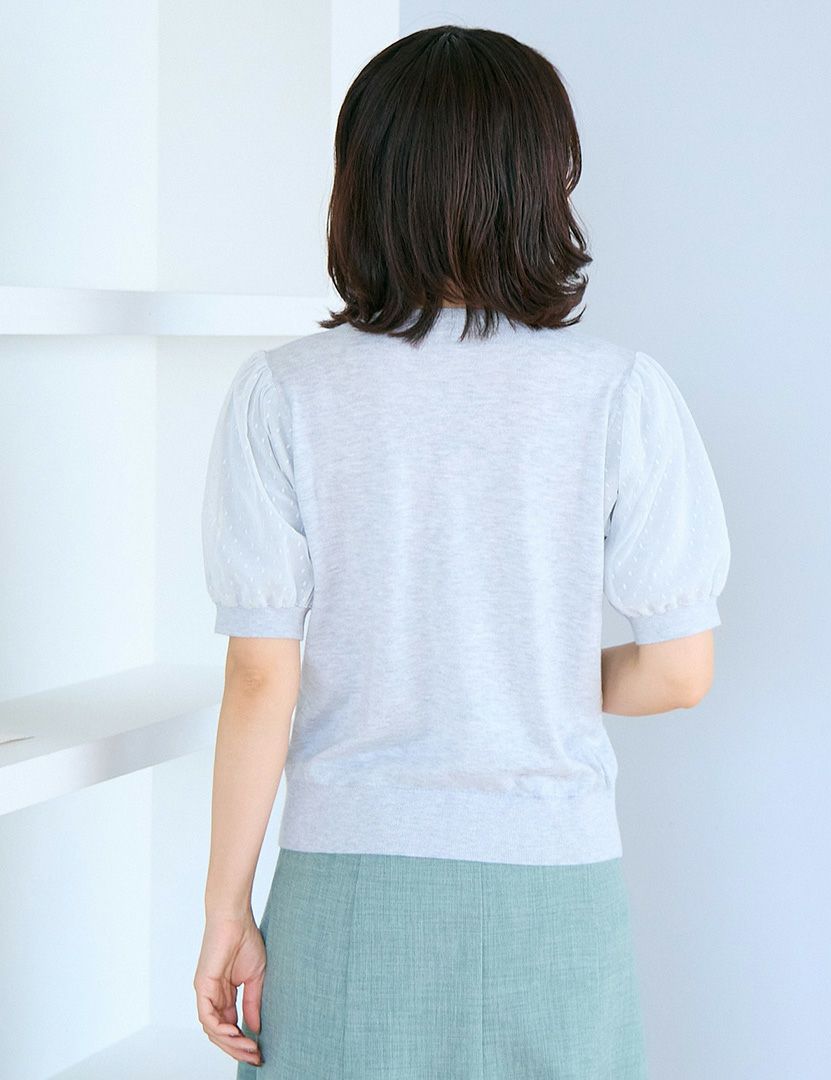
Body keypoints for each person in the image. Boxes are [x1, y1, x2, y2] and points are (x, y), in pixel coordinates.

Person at [193, 23, 730, 1079]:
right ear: (542, 185)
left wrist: (226, 912)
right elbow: (679, 672)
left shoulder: (284, 393)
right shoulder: (621, 393)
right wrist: (518, 673)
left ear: (363, 186)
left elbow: (262, 677)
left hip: (347, 886)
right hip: (554, 885)